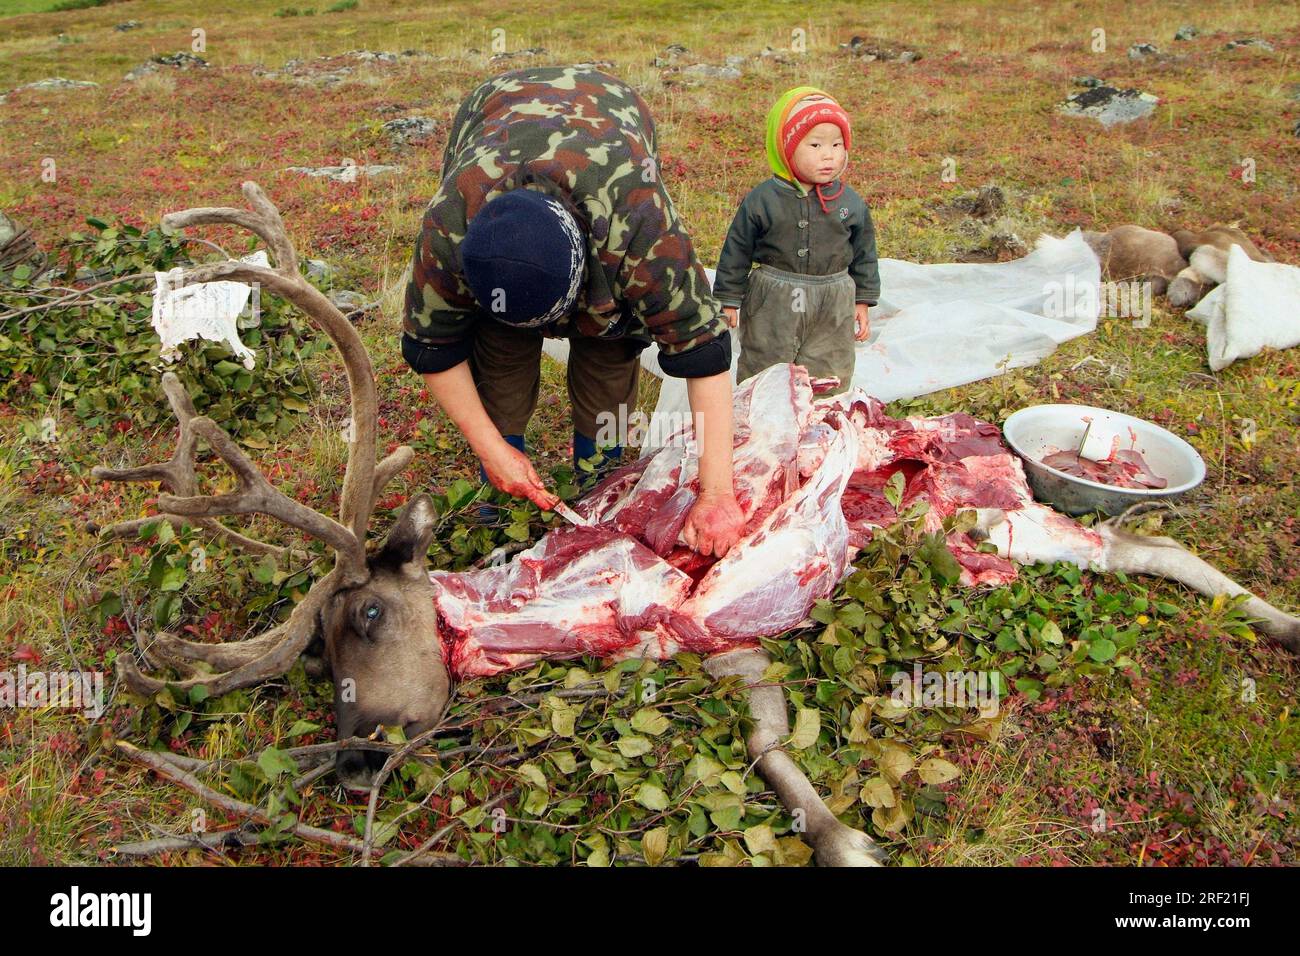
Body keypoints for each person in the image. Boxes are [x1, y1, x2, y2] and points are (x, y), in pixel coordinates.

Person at [402, 65, 745, 556]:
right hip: (495, 109)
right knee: (500, 362)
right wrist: (491, 448)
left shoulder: (640, 222)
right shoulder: (449, 227)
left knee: (607, 363)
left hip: (612, 111)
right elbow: (432, 348)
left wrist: (717, 495)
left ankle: (598, 491)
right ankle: (499, 510)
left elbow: (703, 350)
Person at [713, 87, 881, 393]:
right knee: (766, 362)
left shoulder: (850, 202)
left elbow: (864, 253)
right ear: (786, 149)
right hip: (774, 296)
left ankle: (820, 425)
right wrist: (728, 298)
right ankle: (762, 423)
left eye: (836, 144)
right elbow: (737, 249)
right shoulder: (763, 199)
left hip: (832, 297)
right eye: (815, 145)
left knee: (829, 365)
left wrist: (862, 300)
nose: (828, 154)